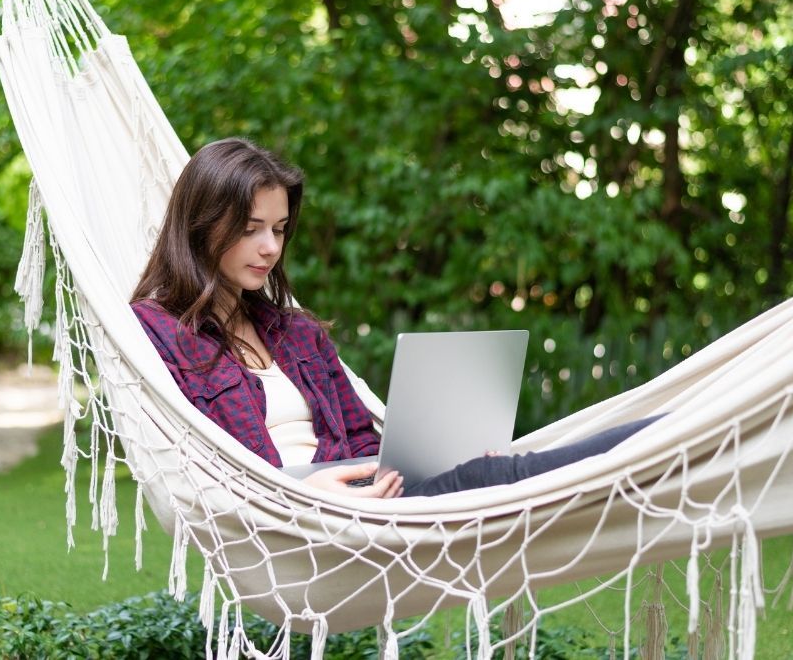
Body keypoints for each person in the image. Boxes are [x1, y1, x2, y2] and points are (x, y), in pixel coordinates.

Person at [131, 138, 658, 499]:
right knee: (503, 475)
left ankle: (671, 434)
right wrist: (293, 489)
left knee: (484, 469)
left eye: (281, 228)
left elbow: (361, 439)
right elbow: (191, 467)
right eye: (251, 228)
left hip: (366, 501)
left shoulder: (295, 332)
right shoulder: (152, 332)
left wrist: (423, 458)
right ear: (203, 225)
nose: (270, 247)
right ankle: (666, 440)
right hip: (284, 513)